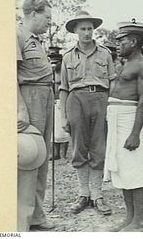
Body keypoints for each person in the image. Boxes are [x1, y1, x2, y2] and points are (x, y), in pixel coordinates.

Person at [59, 11, 115, 215]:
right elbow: (64, 88)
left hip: (100, 99)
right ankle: (84, 194)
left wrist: (111, 107)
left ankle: (97, 195)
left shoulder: (105, 53)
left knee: (99, 147)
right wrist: (64, 117)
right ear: (75, 31)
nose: (87, 33)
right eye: (82, 29)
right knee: (79, 148)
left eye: (90, 28)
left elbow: (113, 82)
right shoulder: (67, 57)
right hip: (76, 101)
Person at [104, 19, 143, 232]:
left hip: (130, 119)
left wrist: (135, 133)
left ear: (133, 41)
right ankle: (130, 217)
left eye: (121, 40)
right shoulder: (126, 63)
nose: (117, 44)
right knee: (123, 169)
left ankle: (139, 221)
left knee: (135, 168)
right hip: (117, 118)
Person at [16, 0, 55, 231]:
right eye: (47, 17)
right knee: (29, 157)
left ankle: (37, 216)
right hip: (29, 98)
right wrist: (20, 107)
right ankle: (23, 221)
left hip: (45, 96)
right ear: (33, 14)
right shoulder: (17, 35)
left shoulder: (37, 40)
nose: (49, 22)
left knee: (42, 158)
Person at [17, 125, 47, 232]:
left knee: (41, 155)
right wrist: (21, 108)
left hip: (44, 108)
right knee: (28, 150)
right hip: (28, 109)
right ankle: (22, 223)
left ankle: (36, 216)